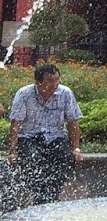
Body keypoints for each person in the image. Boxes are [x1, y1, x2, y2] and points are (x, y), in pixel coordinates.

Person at [7, 63, 83, 207]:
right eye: (50, 81)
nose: (54, 84)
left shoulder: (65, 93)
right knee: (32, 159)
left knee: (65, 158)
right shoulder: (24, 94)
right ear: (38, 82)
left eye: (57, 80)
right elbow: (15, 124)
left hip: (55, 137)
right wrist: (12, 151)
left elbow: (72, 122)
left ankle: (50, 197)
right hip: (29, 137)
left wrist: (76, 148)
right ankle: (40, 197)